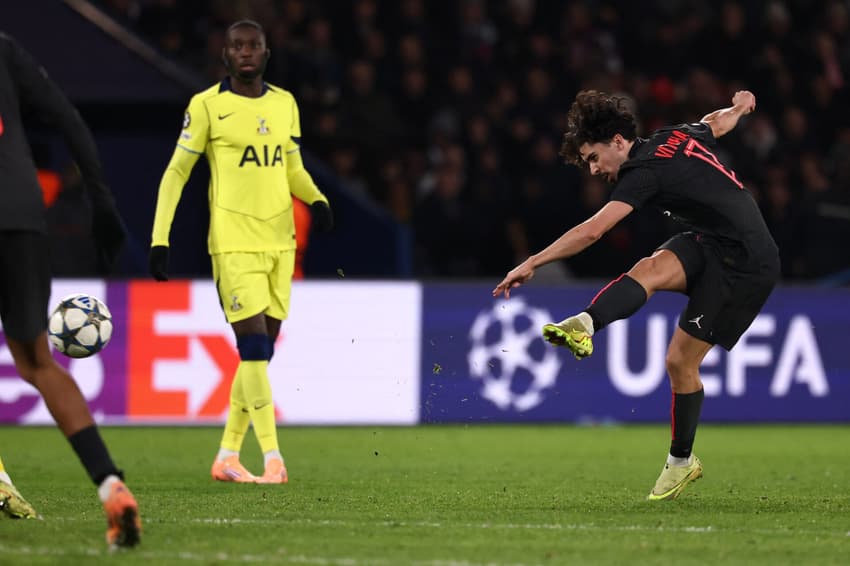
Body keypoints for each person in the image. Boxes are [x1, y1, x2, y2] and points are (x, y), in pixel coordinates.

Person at [493, 89, 779, 501]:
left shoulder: (643, 173)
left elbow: (593, 230)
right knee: (648, 269)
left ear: (617, 142)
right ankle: (586, 323)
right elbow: (714, 122)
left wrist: (532, 261)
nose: (593, 171)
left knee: (680, 362)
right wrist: (740, 107)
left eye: (593, 158)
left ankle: (681, 462)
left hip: (747, 261)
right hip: (711, 239)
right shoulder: (672, 135)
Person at [148, 20, 333, 485]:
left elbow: (291, 167)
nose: (246, 52)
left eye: (254, 46)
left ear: (267, 52)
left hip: (280, 245)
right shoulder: (207, 105)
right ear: (225, 54)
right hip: (232, 244)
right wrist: (160, 238)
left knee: (260, 355)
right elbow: (176, 173)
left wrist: (316, 199)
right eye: (237, 46)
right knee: (251, 349)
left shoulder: (285, 103)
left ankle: (227, 455)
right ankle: (274, 459)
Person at [0, 33, 141, 547]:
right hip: (21, 216)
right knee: (39, 364)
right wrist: (102, 203)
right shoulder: (5, 49)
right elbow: (69, 119)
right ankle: (111, 485)